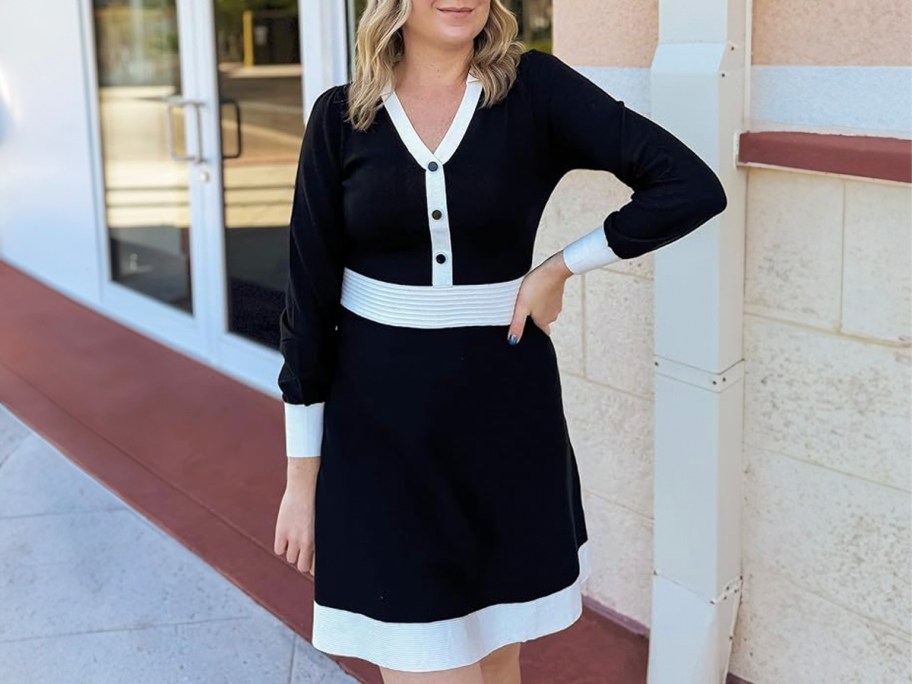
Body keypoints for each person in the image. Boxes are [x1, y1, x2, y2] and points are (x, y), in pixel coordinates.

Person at [272, 1, 728, 682]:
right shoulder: (342, 118)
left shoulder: (533, 90)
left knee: (497, 661)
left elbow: (689, 184)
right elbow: (306, 310)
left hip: (507, 431)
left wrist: (562, 265)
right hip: (382, 444)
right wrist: (301, 481)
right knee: (422, 659)